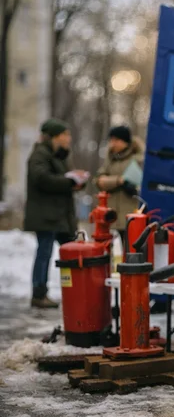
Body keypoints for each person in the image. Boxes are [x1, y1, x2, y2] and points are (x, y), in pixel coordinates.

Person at [24, 119, 88, 309]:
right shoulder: (39, 155)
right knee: (44, 253)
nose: (68, 139)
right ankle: (39, 293)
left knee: (72, 254)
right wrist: (68, 181)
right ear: (53, 137)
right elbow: (42, 178)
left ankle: (76, 290)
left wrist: (78, 180)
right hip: (46, 215)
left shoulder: (58, 156)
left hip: (60, 216)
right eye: (64, 135)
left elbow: (64, 179)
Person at [95, 125, 144, 249]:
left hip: (130, 214)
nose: (113, 144)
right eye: (111, 140)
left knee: (131, 249)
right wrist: (119, 181)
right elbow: (99, 181)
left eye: (116, 140)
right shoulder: (110, 160)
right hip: (111, 215)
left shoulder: (137, 160)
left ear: (125, 142)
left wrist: (110, 181)